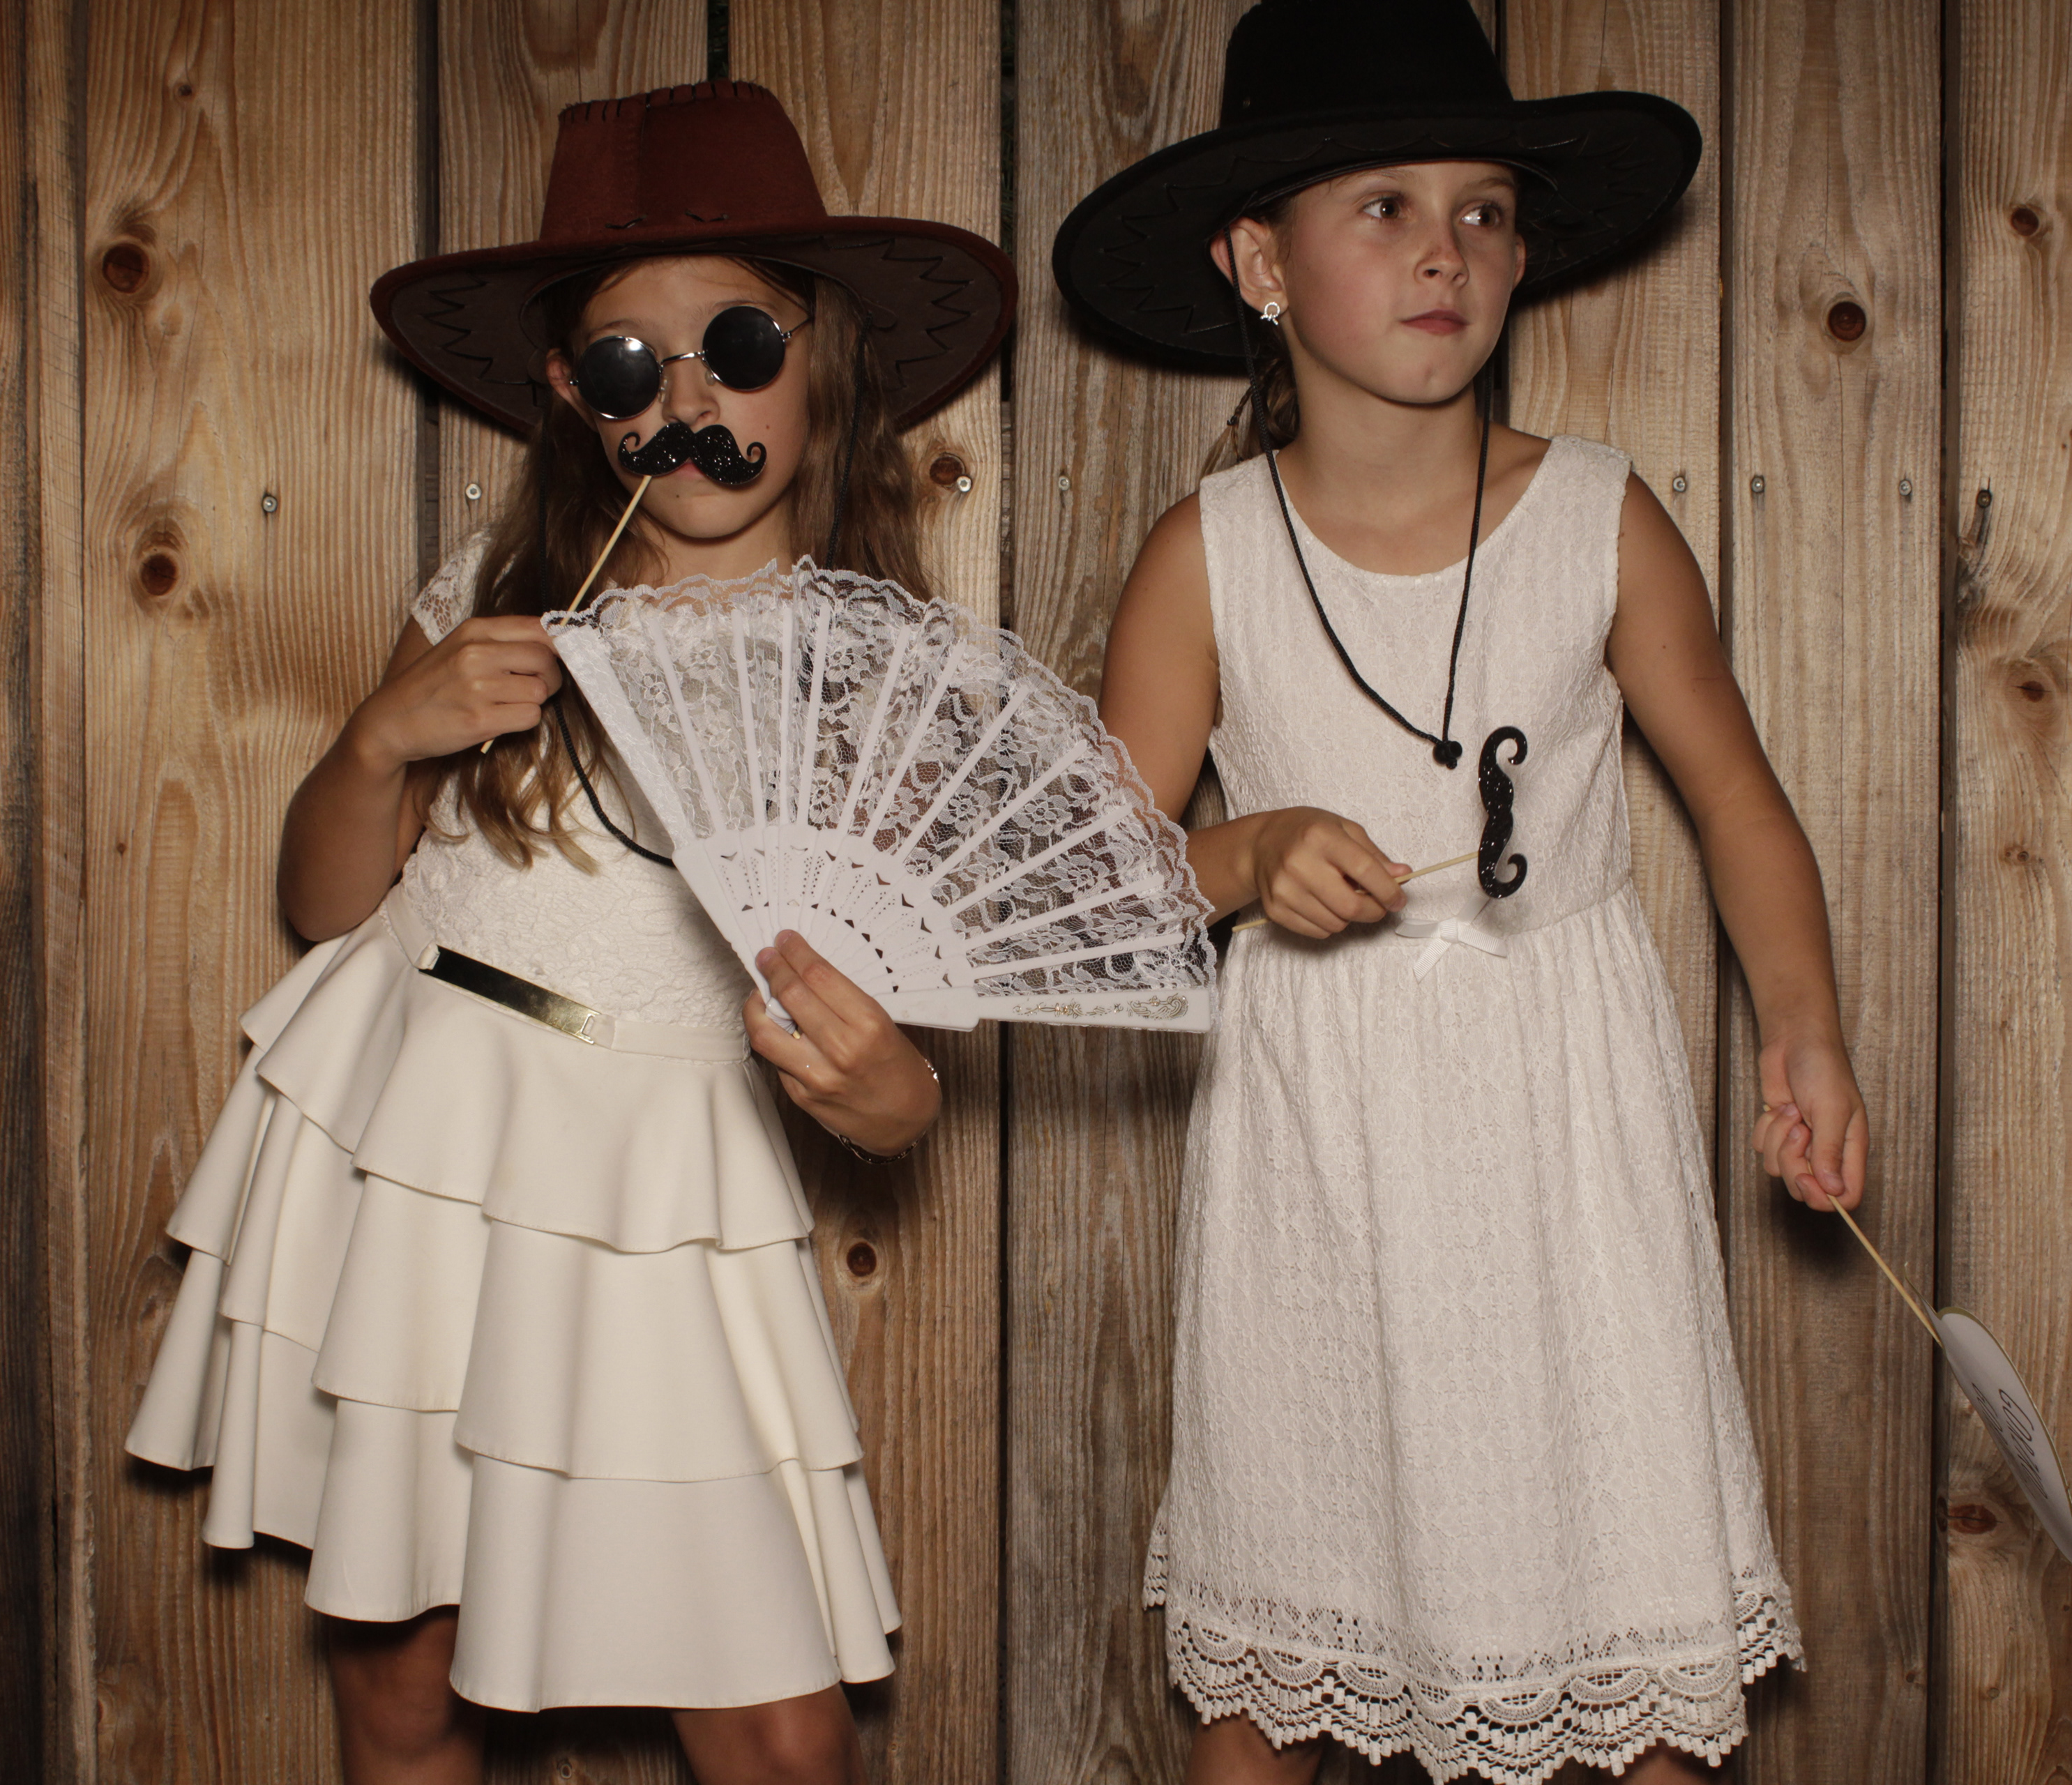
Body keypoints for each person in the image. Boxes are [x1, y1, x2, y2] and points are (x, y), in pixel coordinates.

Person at [126, 81, 1014, 1785]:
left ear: (820, 353)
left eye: (734, 343)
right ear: (565, 391)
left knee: (780, 1732)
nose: (685, 402)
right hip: (424, 1147)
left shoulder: (882, 679)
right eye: (626, 365)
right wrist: (380, 738)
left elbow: (902, 1076)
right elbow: (324, 904)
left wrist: (886, 1090)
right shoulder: (497, 588)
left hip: (657, 1190)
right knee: (404, 1681)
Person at [1057, 4, 1864, 1781]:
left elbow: (1739, 801)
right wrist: (1244, 857)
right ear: (1258, 263)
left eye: (1484, 210)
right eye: (1387, 207)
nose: (1448, 249)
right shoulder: (1207, 558)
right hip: (1317, 1156)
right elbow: (1093, 891)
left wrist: (1805, 1036)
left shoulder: (1603, 521)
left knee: (1631, 1656)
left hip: (1568, 1147)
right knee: (1273, 1675)